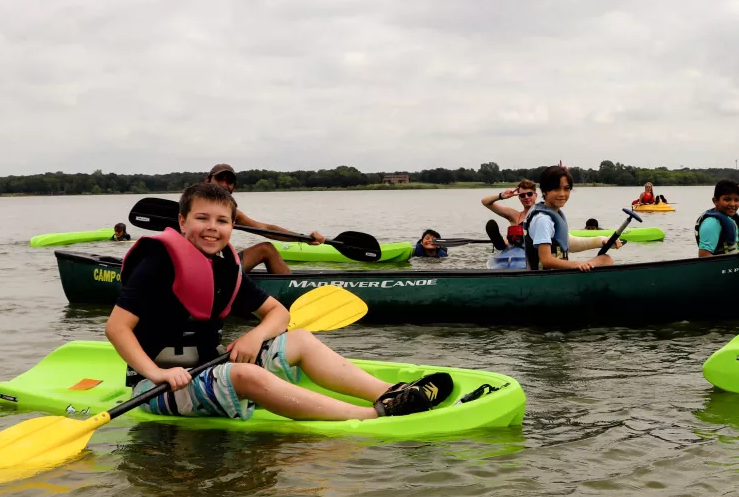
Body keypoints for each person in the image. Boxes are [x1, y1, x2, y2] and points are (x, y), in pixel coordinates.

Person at [106, 183, 451, 423]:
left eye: (222, 221)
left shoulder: (224, 267)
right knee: (245, 373)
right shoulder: (158, 263)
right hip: (158, 387)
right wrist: (157, 372)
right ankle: (374, 416)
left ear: (231, 226)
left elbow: (278, 313)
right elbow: (117, 328)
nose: (212, 228)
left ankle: (390, 392)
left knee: (298, 338)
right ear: (182, 221)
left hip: (210, 367)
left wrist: (255, 336)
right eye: (202, 218)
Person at [205, 164, 325, 274]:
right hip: (199, 267)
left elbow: (266, 229)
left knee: (266, 249)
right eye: (219, 179)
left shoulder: (232, 213)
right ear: (208, 181)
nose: (224, 185)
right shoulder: (194, 205)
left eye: (229, 181)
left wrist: (303, 238)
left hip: (218, 266)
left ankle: (291, 287)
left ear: (234, 187)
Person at [525, 164, 620, 271]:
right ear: (544, 191)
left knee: (605, 259)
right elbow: (546, 260)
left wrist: (602, 241)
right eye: (556, 189)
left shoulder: (554, 214)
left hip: (559, 274)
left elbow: (569, 243)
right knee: (605, 260)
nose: (562, 194)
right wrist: (576, 264)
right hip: (546, 277)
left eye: (566, 189)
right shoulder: (543, 220)